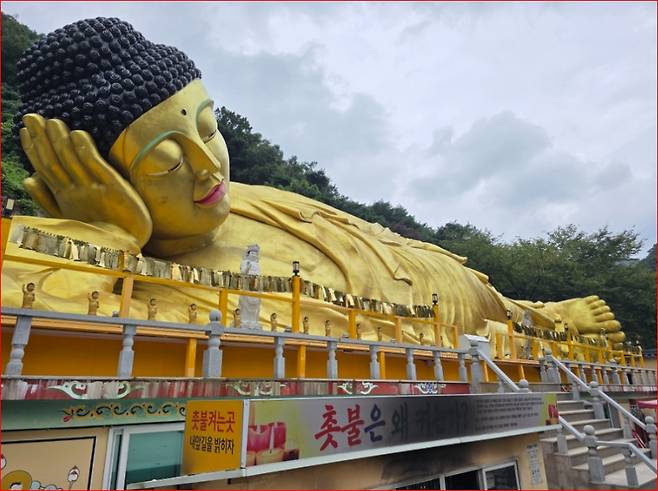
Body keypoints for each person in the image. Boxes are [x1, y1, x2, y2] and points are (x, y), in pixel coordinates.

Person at [4, 17, 625, 349]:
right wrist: (103, 236)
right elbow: (26, 303)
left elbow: (373, 237)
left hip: (459, 287)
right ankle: (541, 324)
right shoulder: (136, 281)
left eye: (210, 128)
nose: (209, 167)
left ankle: (532, 312)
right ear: (93, 178)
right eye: (167, 161)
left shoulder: (250, 199)